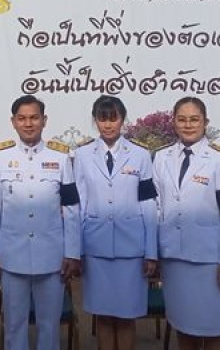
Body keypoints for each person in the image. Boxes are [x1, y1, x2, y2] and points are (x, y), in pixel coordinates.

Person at [0, 94, 81, 350]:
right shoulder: (0, 158)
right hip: (11, 255)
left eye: (34, 118)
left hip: (51, 257)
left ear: (44, 120)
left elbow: (71, 208)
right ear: (13, 122)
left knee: (49, 326)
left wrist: (72, 252)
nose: (28, 124)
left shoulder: (60, 157)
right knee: (13, 325)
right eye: (22, 118)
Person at [153, 97, 220, 350]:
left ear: (205, 122)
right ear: (174, 122)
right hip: (174, 257)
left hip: (209, 259)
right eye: (182, 119)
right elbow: (157, 208)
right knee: (184, 325)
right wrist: (156, 252)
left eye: (194, 119)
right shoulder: (161, 157)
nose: (188, 125)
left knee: (214, 328)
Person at [73, 95, 158, 350]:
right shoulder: (82, 155)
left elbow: (149, 205)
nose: (108, 125)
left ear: (122, 120)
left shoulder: (140, 155)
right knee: (104, 316)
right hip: (96, 247)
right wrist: (76, 251)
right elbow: (79, 204)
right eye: (102, 118)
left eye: (114, 118)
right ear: (95, 120)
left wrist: (151, 252)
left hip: (131, 249)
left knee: (126, 316)